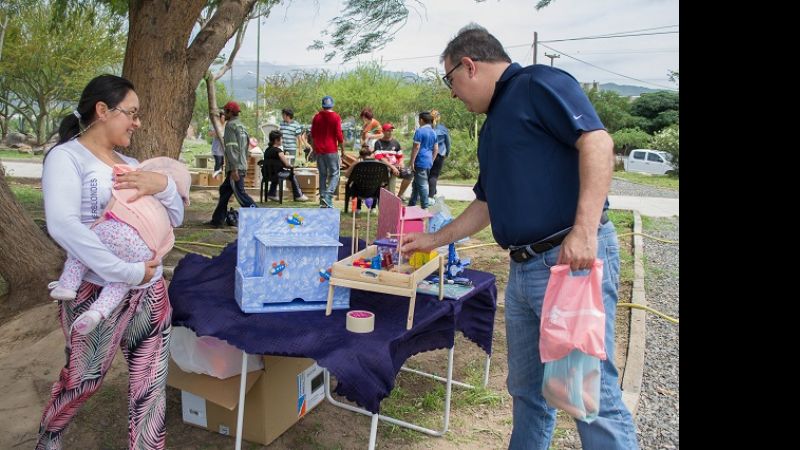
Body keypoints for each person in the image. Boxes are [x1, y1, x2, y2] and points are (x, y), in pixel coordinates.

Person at [401, 24, 639, 450]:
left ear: (469, 65)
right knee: (527, 392)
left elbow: (598, 142)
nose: (452, 94)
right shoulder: (494, 124)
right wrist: (434, 240)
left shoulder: (537, 84)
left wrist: (585, 230)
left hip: (569, 263)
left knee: (589, 397)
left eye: (450, 81)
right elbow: (486, 203)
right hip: (525, 270)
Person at [37, 74, 184, 449]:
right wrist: (127, 271)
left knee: (150, 387)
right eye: (131, 114)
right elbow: (63, 225)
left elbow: (175, 217)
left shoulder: (133, 164)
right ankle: (50, 435)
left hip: (150, 293)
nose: (137, 122)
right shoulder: (66, 157)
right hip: (95, 292)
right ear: (102, 111)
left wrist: (162, 186)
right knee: (84, 378)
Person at [49, 156, 191, 335]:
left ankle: (68, 285)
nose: (137, 125)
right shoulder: (165, 209)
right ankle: (97, 312)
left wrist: (165, 185)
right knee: (120, 284)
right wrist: (169, 188)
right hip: (142, 250)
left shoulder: (127, 176)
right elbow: (174, 225)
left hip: (111, 230)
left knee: (80, 253)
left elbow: (111, 199)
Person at [207, 100, 257, 227]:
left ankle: (257, 214)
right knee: (224, 190)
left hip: (235, 167)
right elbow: (245, 148)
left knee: (240, 194)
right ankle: (217, 220)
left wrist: (234, 168)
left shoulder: (230, 126)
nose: (224, 114)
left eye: (225, 111)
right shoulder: (241, 126)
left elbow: (231, 148)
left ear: (230, 112)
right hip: (241, 164)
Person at [310, 95, 345, 208]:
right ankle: (328, 196)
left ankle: (322, 200)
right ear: (332, 105)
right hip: (331, 150)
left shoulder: (316, 117)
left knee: (323, 175)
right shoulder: (336, 117)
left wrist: (314, 149)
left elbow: (313, 135)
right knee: (335, 173)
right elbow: (339, 135)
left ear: (323, 105)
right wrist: (343, 150)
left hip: (320, 151)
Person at [264, 130, 310, 202]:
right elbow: (287, 164)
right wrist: (293, 166)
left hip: (267, 174)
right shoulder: (278, 151)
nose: (282, 140)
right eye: (281, 138)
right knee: (292, 175)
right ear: (276, 140)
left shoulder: (267, 150)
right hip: (277, 174)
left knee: (276, 173)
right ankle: (298, 195)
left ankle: (272, 193)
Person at [373, 122, 413, 197]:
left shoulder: (396, 143)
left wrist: (401, 163)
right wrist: (392, 167)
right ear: (383, 131)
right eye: (388, 131)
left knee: (409, 173)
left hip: (395, 167)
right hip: (384, 167)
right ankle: (388, 196)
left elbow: (400, 156)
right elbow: (380, 158)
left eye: (391, 131)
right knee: (388, 173)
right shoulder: (378, 143)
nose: (390, 132)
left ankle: (399, 196)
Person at [407, 111, 438, 209]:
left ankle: (425, 206)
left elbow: (416, 147)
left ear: (421, 120)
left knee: (422, 185)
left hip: (420, 160)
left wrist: (412, 161)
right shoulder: (433, 132)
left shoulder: (420, 131)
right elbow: (436, 149)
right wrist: (432, 160)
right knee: (416, 184)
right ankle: (411, 204)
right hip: (428, 161)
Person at [428, 109, 451, 205]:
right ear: (439, 117)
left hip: (428, 155)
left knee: (429, 175)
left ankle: (433, 193)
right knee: (434, 175)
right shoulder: (443, 129)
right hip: (440, 154)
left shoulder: (426, 129)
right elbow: (448, 143)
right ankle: (430, 197)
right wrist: (447, 153)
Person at [210, 110, 225, 178]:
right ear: (220, 117)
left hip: (223, 149)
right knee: (218, 163)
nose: (224, 119)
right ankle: (216, 178)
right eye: (223, 117)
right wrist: (218, 134)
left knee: (222, 163)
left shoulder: (226, 125)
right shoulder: (216, 125)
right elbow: (210, 133)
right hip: (217, 149)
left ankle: (220, 178)